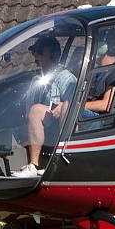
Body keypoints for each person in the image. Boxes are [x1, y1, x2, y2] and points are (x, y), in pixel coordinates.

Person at [13, 35, 76, 178]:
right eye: (34, 51)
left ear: (53, 53)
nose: (36, 55)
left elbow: (72, 108)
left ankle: (40, 164)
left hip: (61, 128)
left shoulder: (66, 78)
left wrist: (60, 107)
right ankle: (31, 164)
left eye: (40, 51)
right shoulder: (39, 79)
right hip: (48, 126)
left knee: (35, 111)